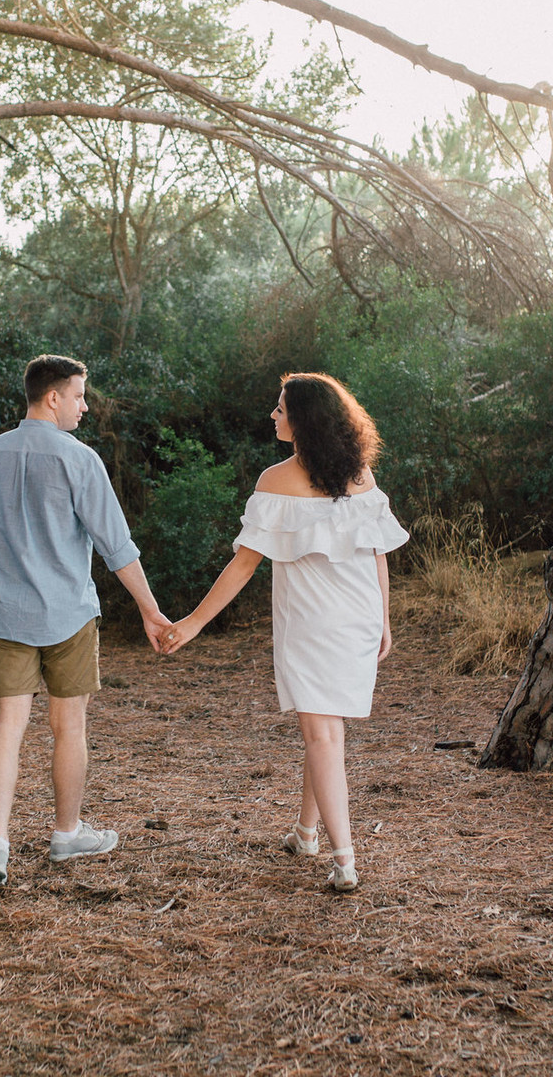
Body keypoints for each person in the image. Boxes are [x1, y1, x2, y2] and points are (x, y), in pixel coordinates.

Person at [162, 373, 407, 892]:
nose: (273, 416)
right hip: (360, 617)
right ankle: (306, 833)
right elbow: (377, 553)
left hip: (314, 624)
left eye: (280, 409)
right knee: (327, 733)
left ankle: (344, 859)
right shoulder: (359, 474)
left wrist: (193, 622)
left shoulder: (275, 481)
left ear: (302, 421)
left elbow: (244, 565)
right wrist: (383, 618)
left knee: (322, 735)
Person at [0, 354, 172, 889]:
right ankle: (66, 834)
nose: (84, 406)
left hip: (6, 614)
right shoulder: (80, 460)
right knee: (68, 727)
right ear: (51, 396)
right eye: (79, 395)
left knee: (6, 727)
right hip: (70, 616)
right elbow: (117, 547)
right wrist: (150, 611)